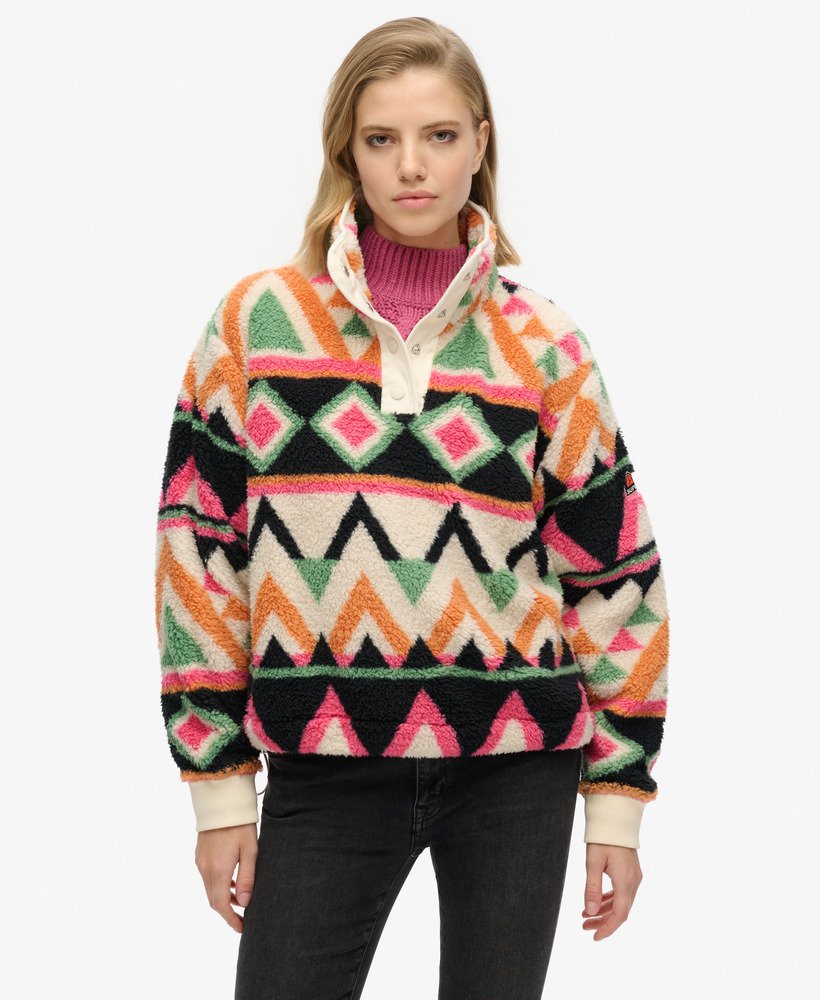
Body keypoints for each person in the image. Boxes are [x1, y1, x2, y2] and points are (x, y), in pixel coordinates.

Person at [153, 16, 670, 1000]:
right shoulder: (257, 325)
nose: (412, 166)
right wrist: (218, 791)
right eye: (381, 138)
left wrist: (617, 802)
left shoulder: (545, 344)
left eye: (439, 135)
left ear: (480, 143)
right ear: (346, 151)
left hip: (518, 767)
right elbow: (198, 556)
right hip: (323, 761)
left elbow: (615, 577)